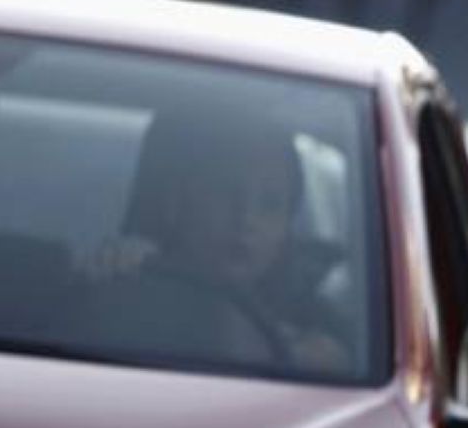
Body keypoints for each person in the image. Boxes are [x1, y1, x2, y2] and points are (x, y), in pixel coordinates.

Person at [89, 105, 351, 374]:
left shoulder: (310, 302)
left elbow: (341, 359)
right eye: (226, 194)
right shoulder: (132, 272)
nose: (246, 218)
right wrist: (125, 272)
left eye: (270, 204)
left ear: (286, 227)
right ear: (176, 203)